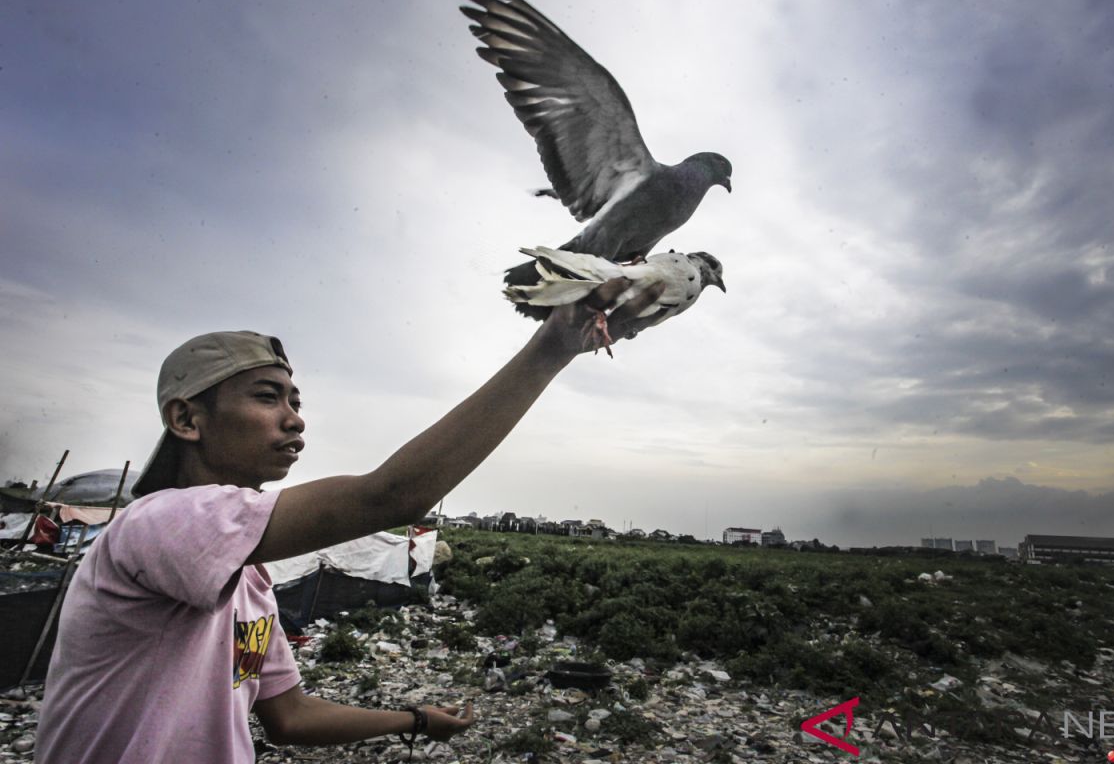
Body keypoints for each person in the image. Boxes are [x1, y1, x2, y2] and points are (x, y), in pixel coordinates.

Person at [35, 279, 662, 763]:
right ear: (186, 420)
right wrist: (549, 351)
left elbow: (290, 716)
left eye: (295, 400)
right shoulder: (161, 522)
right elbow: (387, 498)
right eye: (266, 397)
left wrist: (414, 719)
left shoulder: (248, 584)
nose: (295, 418)